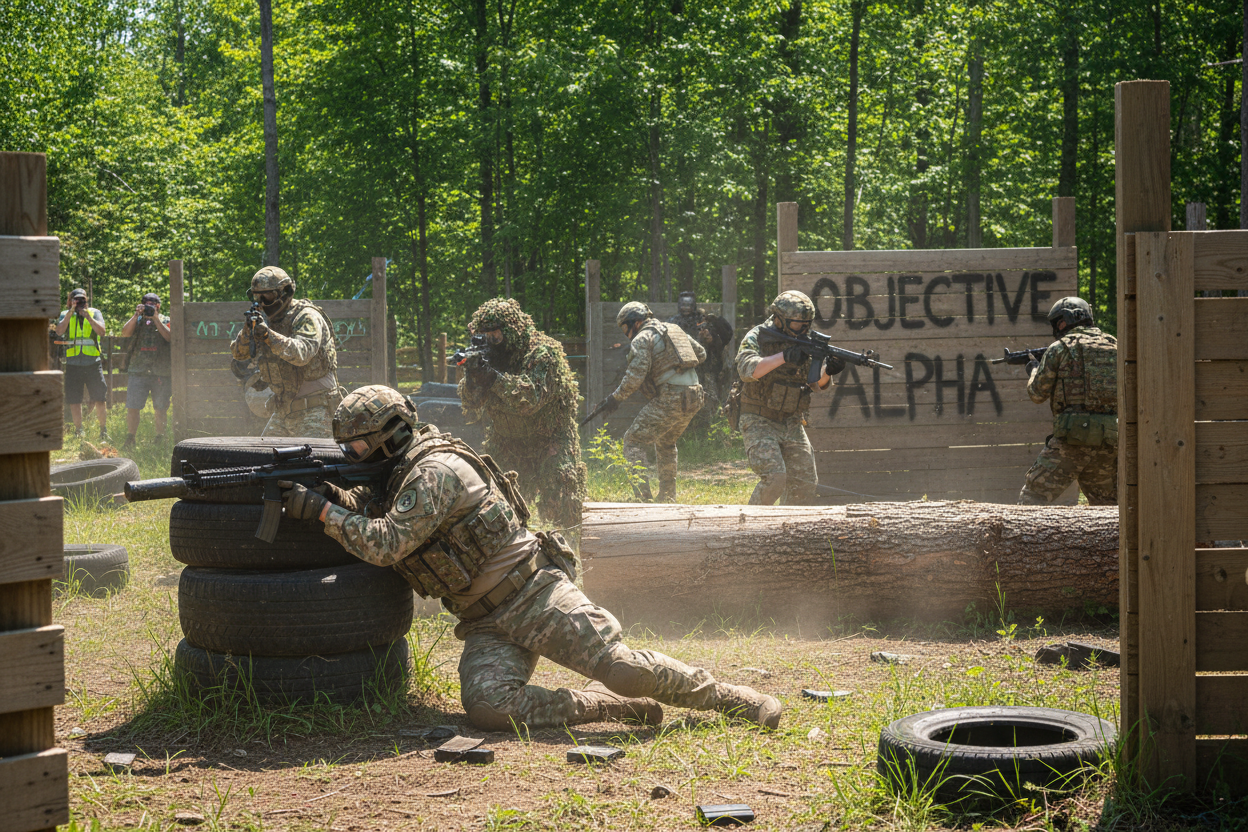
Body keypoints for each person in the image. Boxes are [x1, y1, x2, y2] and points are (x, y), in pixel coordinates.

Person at [279, 385, 782, 732]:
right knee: (488, 708)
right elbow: (377, 517)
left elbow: (386, 543)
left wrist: (323, 512)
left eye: (360, 446)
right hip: (486, 622)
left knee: (622, 668)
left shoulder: (435, 471)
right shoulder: (395, 476)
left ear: (393, 433)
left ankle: (728, 698)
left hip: (536, 595)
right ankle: (607, 710)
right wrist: (336, 498)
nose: (353, 457)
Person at [458, 298, 587, 536]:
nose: (491, 341)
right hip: (507, 440)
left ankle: (569, 556)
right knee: (498, 508)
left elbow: (529, 400)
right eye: (484, 335)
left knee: (559, 501)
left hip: (549, 438)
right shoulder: (490, 358)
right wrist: (474, 375)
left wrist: (493, 378)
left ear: (511, 330)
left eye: (495, 334)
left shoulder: (542, 352)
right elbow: (471, 404)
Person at [734, 290, 842, 506]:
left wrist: (828, 371)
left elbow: (816, 385)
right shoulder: (758, 336)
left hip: (791, 421)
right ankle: (750, 529)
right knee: (775, 479)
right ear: (779, 319)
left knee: (805, 483)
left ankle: (789, 533)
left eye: (807, 324)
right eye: (797, 324)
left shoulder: (806, 340)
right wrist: (784, 357)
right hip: (758, 418)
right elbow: (747, 369)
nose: (803, 329)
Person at [593, 302, 705, 502]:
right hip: (694, 395)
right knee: (666, 442)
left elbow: (635, 376)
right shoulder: (674, 330)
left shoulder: (643, 338)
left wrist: (614, 398)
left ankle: (642, 498)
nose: (626, 333)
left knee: (633, 441)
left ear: (636, 322)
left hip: (671, 396)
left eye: (625, 328)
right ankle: (668, 496)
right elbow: (701, 354)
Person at [1018, 297, 1118, 506]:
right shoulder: (1115, 345)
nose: (1057, 327)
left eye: (1058, 322)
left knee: (1033, 497)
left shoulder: (1060, 348)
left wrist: (1033, 370)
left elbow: (1037, 393)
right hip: (1110, 440)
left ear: (1066, 320)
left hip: (1073, 440)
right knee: (1108, 506)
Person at [230, 266, 340, 437]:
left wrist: (268, 335)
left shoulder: (306, 316)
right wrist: (248, 329)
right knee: (265, 458)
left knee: (312, 461)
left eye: (267, 296)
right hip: (283, 409)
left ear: (285, 292)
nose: (262, 303)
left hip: (316, 409)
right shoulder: (267, 321)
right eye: (256, 296)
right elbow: (239, 353)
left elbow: (301, 354)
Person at [667, 291, 734, 430]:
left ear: (694, 305)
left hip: (705, 369)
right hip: (682, 370)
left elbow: (723, 340)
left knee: (709, 403)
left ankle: (706, 433)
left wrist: (710, 338)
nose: (686, 308)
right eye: (683, 305)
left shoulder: (703, 320)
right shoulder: (673, 322)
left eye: (689, 305)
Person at [54, 288, 109, 441]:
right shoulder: (66, 314)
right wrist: (71, 311)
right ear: (70, 301)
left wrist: (88, 317)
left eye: (82, 299)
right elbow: (59, 331)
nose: (79, 302)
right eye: (75, 299)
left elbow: (102, 332)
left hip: (92, 362)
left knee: (99, 397)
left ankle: (103, 430)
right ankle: (79, 430)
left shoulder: (94, 312)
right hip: (73, 363)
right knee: (74, 398)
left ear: (87, 300)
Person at [119, 292, 172, 448]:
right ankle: (130, 438)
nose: (149, 305)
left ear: (158, 306)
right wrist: (136, 315)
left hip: (160, 371)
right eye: (146, 303)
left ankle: (160, 438)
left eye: (152, 303)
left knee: (160, 407)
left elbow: (170, 337)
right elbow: (125, 333)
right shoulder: (138, 320)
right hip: (138, 369)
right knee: (133, 407)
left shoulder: (166, 320)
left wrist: (155, 318)